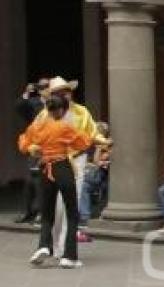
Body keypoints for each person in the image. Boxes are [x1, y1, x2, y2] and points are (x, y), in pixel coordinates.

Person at [35, 77, 109, 257]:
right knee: (56, 207)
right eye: (59, 92)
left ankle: (64, 248)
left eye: (66, 91)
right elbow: (35, 137)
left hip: (77, 160)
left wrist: (103, 141)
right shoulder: (45, 114)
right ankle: (53, 246)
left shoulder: (81, 112)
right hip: (55, 161)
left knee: (70, 203)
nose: (64, 95)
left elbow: (92, 131)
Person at [18, 95, 91, 268]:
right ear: (61, 110)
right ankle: (69, 256)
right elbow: (84, 142)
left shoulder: (38, 126)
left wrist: (32, 148)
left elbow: (23, 143)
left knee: (47, 213)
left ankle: (43, 246)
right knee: (72, 213)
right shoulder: (65, 127)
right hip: (62, 167)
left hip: (45, 168)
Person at [13, 78, 50, 224]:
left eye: (47, 86)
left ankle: (42, 212)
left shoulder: (55, 102)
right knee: (31, 181)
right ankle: (28, 211)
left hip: (52, 144)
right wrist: (27, 93)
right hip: (35, 145)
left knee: (42, 181)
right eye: (41, 87)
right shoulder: (34, 102)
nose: (44, 89)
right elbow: (19, 107)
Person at [79, 121, 112, 228]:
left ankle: (84, 216)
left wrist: (99, 147)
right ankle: (84, 217)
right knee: (83, 185)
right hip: (94, 175)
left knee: (82, 183)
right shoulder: (92, 145)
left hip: (103, 177)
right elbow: (95, 162)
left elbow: (97, 161)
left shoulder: (107, 145)